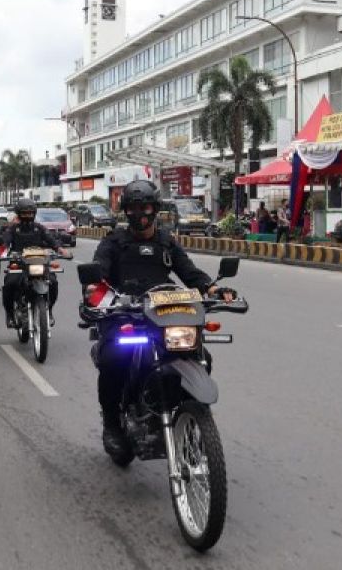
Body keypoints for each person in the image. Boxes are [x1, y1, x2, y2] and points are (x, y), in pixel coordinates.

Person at [88, 179, 236, 458]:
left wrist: (214, 289)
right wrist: (93, 294)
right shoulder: (113, 243)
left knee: (200, 355)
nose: (139, 213)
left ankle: (186, 415)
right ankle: (112, 424)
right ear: (125, 211)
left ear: (155, 209)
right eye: (133, 208)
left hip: (163, 315)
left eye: (144, 207)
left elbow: (190, 273)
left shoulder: (166, 241)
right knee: (113, 359)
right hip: (125, 314)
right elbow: (98, 276)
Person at [1, 197, 66, 329]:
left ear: (34, 213)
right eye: (24, 213)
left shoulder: (39, 228)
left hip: (39, 262)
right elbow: (5, 243)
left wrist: (60, 249)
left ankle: (49, 311)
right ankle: (9, 314)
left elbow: (51, 240)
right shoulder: (13, 229)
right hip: (19, 263)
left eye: (30, 213)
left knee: (53, 282)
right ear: (19, 213)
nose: (27, 215)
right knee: (9, 284)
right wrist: (1, 252)